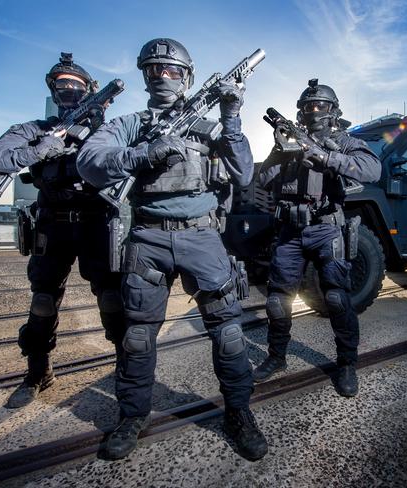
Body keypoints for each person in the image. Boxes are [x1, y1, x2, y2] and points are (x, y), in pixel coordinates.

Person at [76, 38, 267, 461]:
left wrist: (232, 117)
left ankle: (239, 411)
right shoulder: (131, 124)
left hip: (202, 236)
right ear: (145, 76)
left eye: (172, 70)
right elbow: (89, 161)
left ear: (187, 76)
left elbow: (244, 170)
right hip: (147, 237)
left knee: (230, 333)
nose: (163, 76)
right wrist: (144, 153)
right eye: (154, 70)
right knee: (138, 338)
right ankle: (131, 416)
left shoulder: (209, 126)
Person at [0, 53, 125, 408]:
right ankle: (38, 373)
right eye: (61, 85)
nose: (69, 90)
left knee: (112, 298)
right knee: (43, 301)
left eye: (76, 85)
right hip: (52, 223)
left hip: (96, 222)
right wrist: (42, 148)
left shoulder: (107, 132)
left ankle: (127, 370)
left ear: (90, 90)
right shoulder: (36, 129)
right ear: (53, 91)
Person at [253, 79, 381, 396]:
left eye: (320, 105)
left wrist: (324, 157)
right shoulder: (287, 142)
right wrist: (284, 152)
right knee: (277, 299)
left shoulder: (343, 141)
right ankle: (277, 357)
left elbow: (372, 169)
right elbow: (264, 180)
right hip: (290, 232)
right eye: (308, 106)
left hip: (326, 228)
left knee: (337, 297)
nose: (313, 111)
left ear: (332, 111)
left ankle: (347, 363)